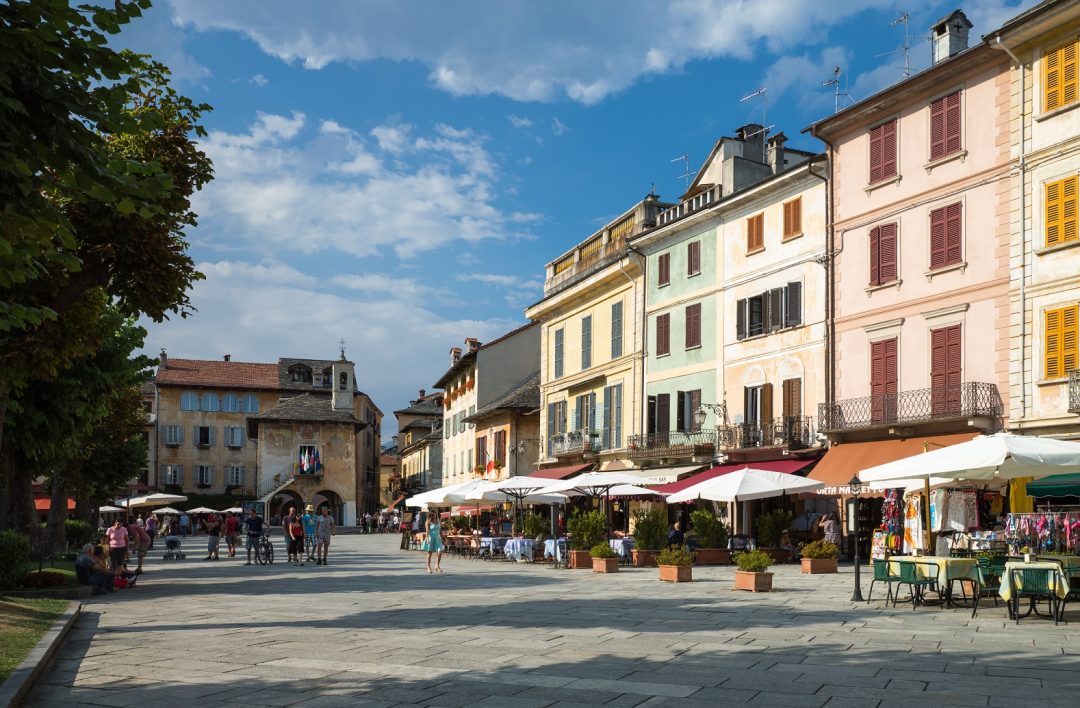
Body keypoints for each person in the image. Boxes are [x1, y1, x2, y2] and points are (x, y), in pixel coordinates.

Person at [421, 507, 444, 573]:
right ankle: (428, 567)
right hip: (431, 538)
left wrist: (442, 538)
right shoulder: (428, 522)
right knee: (429, 554)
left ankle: (437, 566)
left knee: (440, 551)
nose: (435, 515)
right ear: (431, 515)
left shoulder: (438, 520)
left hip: (437, 538)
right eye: (434, 514)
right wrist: (427, 539)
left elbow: (440, 531)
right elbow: (427, 532)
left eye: (435, 514)